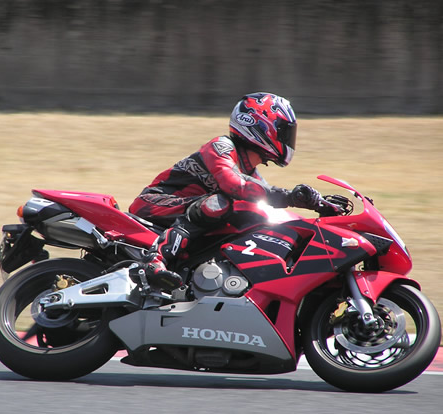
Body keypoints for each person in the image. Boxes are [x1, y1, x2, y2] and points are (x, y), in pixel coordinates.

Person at [129, 92, 322, 290]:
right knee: (217, 204)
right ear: (260, 126)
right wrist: (288, 196)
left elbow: (267, 207)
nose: (288, 138)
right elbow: (234, 184)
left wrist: (318, 212)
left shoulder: (251, 174)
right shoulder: (221, 146)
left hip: (187, 213)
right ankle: (154, 261)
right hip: (154, 203)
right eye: (283, 131)